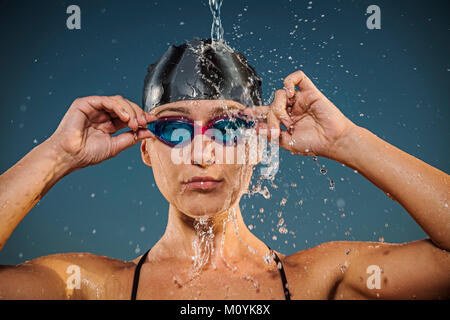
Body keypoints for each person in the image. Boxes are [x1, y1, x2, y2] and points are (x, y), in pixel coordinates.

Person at [0, 39, 448, 300]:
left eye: (228, 128)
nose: (202, 153)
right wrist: (56, 155)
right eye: (174, 130)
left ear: (256, 144)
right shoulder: (93, 288)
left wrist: (347, 140)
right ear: (145, 149)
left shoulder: (319, 281)